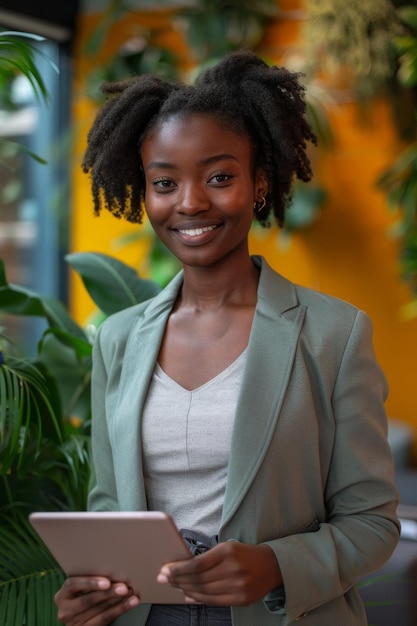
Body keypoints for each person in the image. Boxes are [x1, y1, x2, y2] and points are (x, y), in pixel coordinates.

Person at [54, 50, 400, 626]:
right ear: (145, 193)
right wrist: (89, 589)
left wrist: (275, 565)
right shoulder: (117, 338)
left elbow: (373, 522)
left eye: (219, 177)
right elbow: (110, 508)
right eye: (165, 182)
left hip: (279, 611)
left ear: (259, 183)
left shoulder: (333, 334)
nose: (190, 202)